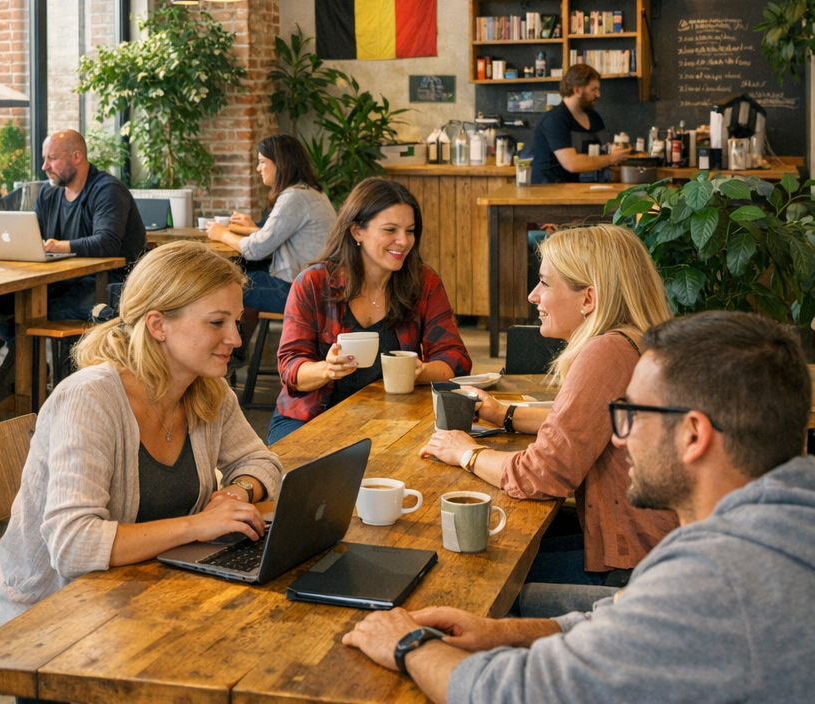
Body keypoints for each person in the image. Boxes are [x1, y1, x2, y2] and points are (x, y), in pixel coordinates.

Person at [342, 310, 815, 704]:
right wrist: (501, 633)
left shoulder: (719, 578)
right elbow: (631, 614)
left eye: (632, 415)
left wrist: (407, 644)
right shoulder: (783, 518)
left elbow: (513, 693)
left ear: (693, 435)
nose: (617, 437)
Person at [0, 241, 283, 628]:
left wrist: (232, 495)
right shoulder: (90, 398)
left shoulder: (206, 389)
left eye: (236, 321)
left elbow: (262, 462)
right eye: (217, 323)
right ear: (158, 324)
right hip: (51, 620)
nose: (236, 339)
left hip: (143, 597)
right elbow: (73, 545)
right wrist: (198, 526)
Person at [418, 225, 677, 590]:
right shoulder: (634, 339)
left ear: (588, 299)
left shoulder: (607, 352)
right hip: (647, 548)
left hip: (633, 567)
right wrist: (503, 414)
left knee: (473, 578)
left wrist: (467, 453)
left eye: (544, 283)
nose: (532, 295)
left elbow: (541, 476)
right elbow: (582, 423)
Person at [270, 177, 470, 445]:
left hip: (394, 417)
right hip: (311, 417)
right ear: (356, 231)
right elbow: (291, 368)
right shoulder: (314, 283)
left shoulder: (423, 283)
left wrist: (420, 372)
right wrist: (327, 369)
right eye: (390, 230)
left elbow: (456, 358)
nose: (403, 241)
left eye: (410, 231)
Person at [205, 133, 336, 314]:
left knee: (225, 287)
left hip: (298, 290)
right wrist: (255, 229)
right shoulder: (310, 192)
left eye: (262, 162)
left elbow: (256, 250)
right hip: (314, 285)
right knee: (241, 275)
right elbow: (284, 237)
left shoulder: (294, 196)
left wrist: (221, 233)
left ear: (280, 164)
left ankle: (235, 342)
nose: (258, 168)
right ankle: (242, 342)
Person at [34, 129, 147, 319]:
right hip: (65, 279)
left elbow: (106, 243)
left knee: (34, 310)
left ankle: (21, 347)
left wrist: (57, 246)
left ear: (77, 157)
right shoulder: (48, 193)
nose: (45, 166)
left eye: (52, 158)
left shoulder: (107, 190)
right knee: (1, 305)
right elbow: (33, 236)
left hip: (113, 283)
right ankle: (0, 346)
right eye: (44, 159)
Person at [524, 63, 630, 184]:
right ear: (577, 90)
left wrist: (618, 149)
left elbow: (604, 150)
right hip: (549, 192)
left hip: (577, 188)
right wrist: (612, 158)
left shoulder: (593, 117)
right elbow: (572, 163)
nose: (598, 94)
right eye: (593, 89)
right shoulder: (554, 120)